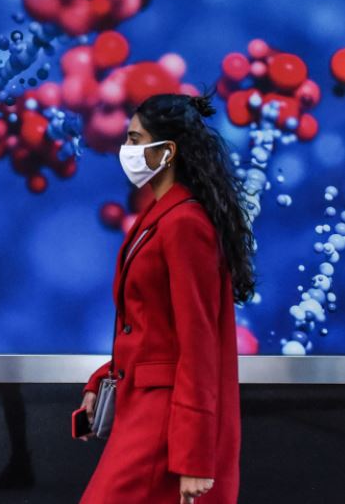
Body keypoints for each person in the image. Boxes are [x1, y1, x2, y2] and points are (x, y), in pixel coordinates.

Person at [78, 91, 254, 504]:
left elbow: (199, 343)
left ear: (167, 151)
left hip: (164, 419)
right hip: (144, 410)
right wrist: (102, 379)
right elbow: (149, 328)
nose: (126, 150)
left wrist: (195, 457)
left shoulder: (184, 223)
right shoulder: (162, 215)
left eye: (135, 140)